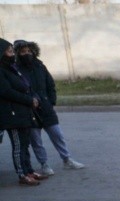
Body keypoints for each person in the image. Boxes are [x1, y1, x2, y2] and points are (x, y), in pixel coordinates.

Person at [14, 40, 85, 176]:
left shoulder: (40, 66)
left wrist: (51, 101)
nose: (27, 54)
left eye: (29, 51)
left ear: (33, 51)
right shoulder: (16, 69)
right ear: (18, 54)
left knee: (57, 135)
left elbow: (50, 84)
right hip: (29, 109)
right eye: (23, 52)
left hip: (46, 107)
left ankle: (67, 160)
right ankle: (44, 164)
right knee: (36, 140)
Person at [0, 38, 45, 186]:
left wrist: (33, 97)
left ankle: (29, 171)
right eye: (9, 51)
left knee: (25, 144)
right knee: (19, 146)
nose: (12, 53)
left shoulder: (12, 68)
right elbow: (6, 92)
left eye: (12, 50)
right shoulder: (1, 70)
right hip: (12, 115)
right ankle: (22, 174)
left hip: (23, 111)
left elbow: (25, 86)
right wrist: (28, 100)